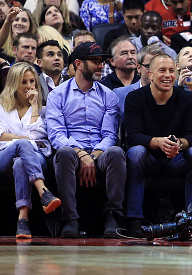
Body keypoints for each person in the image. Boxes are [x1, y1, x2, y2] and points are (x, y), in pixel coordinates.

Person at [46, 42, 126, 238]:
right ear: (79, 64)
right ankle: (70, 218)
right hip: (72, 151)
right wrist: (81, 154)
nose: (101, 66)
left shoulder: (109, 95)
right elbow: (57, 135)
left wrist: (94, 155)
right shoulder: (57, 95)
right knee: (64, 153)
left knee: (116, 152)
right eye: (96, 61)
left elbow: (110, 136)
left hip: (100, 152)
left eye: (101, 61)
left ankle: (112, 215)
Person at [124, 53, 192, 237]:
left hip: (177, 158)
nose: (168, 75)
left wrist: (179, 143)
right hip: (149, 158)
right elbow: (133, 137)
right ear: (150, 74)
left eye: (171, 70)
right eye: (162, 70)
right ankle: (134, 220)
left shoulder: (188, 99)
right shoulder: (134, 98)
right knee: (135, 152)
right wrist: (158, 142)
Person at [0, 61, 61, 239]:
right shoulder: (0, 106)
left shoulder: (43, 110)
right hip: (3, 156)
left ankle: (23, 218)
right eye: (23, 82)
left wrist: (34, 107)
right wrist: (23, 141)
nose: (29, 86)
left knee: (20, 163)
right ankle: (43, 192)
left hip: (35, 156)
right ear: (13, 84)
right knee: (23, 146)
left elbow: (39, 136)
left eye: (32, 81)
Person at [114, 44, 165, 120]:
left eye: (159, 67)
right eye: (148, 66)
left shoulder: (172, 94)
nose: (153, 71)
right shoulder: (119, 94)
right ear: (138, 68)